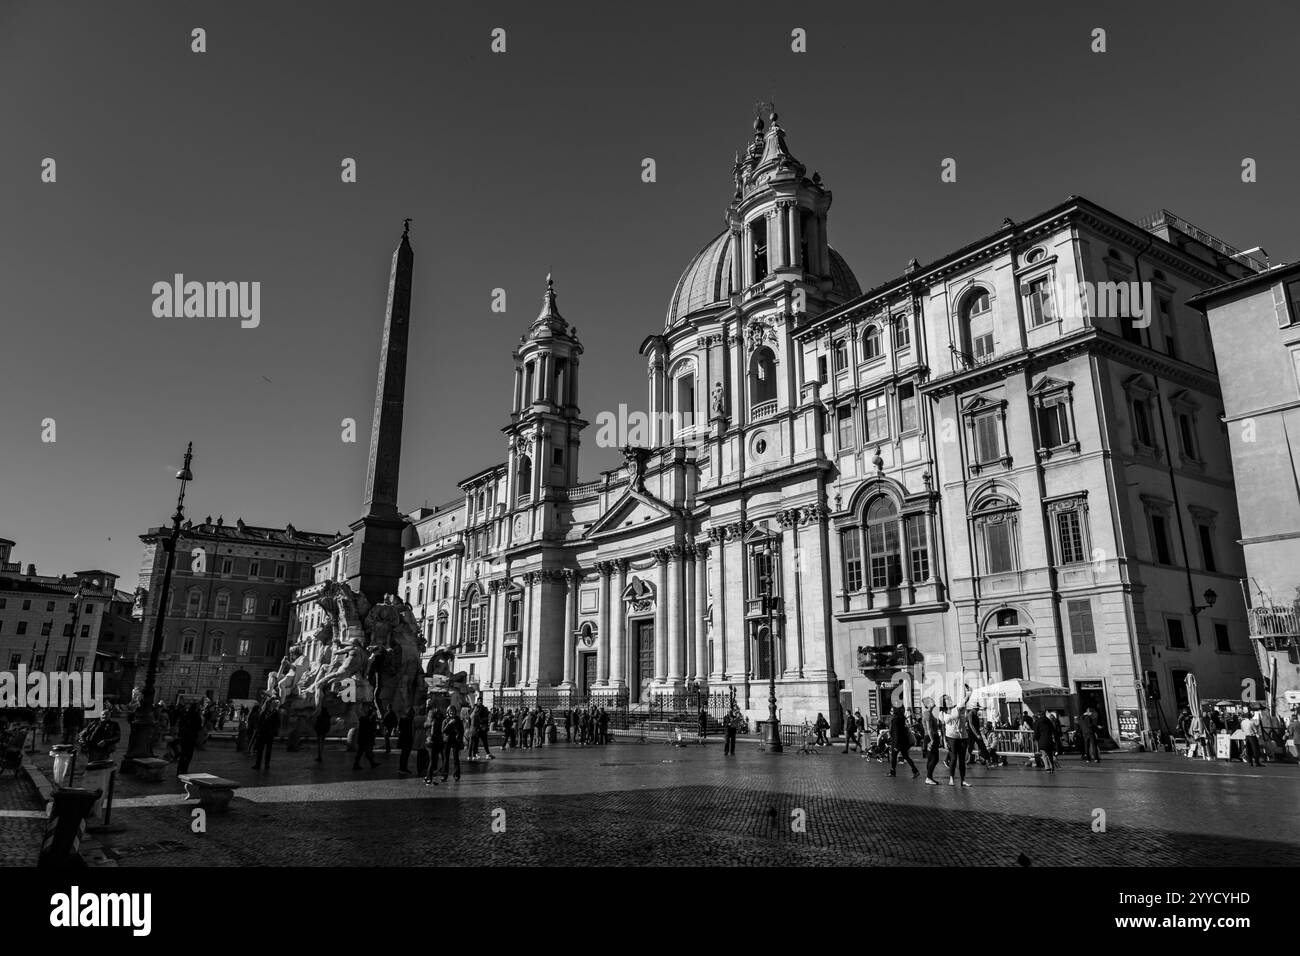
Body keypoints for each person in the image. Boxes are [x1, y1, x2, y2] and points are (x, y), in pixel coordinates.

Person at [942, 689, 974, 787]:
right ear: (944, 702)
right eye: (947, 699)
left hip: (962, 737)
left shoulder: (957, 708)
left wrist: (968, 693)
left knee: (962, 760)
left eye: (949, 698)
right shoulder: (942, 713)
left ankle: (963, 780)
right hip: (951, 737)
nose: (949, 699)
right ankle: (951, 778)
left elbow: (965, 700)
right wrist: (944, 740)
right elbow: (943, 727)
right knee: (953, 758)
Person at [887, 704, 919, 778]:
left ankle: (893, 772)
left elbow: (896, 733)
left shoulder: (895, 720)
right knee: (906, 756)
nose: (890, 712)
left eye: (892, 710)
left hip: (898, 742)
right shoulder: (902, 718)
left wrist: (895, 745)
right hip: (904, 741)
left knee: (894, 756)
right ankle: (915, 771)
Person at [253, 699, 279, 771]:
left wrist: (274, 732)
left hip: (270, 734)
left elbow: (277, 724)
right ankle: (257, 764)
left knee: (268, 750)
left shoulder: (275, 713)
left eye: (269, 704)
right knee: (260, 750)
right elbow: (259, 722)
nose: (268, 706)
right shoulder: (263, 713)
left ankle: (267, 764)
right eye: (268, 705)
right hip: (262, 733)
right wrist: (258, 730)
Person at [923, 697, 944, 784]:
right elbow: (929, 728)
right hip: (930, 737)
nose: (933, 701)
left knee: (931, 758)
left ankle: (929, 777)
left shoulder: (929, 713)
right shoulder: (927, 713)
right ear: (927, 704)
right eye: (931, 700)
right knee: (934, 759)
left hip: (930, 737)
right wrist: (932, 740)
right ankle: (928, 777)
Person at [353, 703, 380, 770]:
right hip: (364, 739)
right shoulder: (366, 720)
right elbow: (370, 729)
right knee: (363, 752)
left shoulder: (364, 719)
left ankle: (371, 763)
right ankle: (357, 765)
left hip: (363, 738)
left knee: (364, 752)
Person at [177, 703, 202, 775]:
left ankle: (179, 769)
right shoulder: (197, 716)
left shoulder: (186, 715)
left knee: (183, 753)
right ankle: (184, 769)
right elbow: (199, 727)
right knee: (189, 755)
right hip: (192, 737)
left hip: (184, 736)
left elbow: (181, 724)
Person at [441, 706, 463, 782]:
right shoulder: (445, 720)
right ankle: (444, 775)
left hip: (455, 740)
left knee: (456, 758)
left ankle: (456, 775)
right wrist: (449, 724)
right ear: (448, 712)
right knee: (446, 759)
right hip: (447, 740)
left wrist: (459, 736)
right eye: (450, 711)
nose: (452, 712)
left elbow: (461, 730)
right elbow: (443, 731)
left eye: (453, 711)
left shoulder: (458, 720)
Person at [423, 707, 443, 785]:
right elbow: (433, 733)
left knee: (431, 761)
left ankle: (427, 776)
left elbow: (426, 728)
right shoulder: (435, 722)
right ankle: (429, 778)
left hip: (428, 743)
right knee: (432, 761)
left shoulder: (428, 721)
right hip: (433, 742)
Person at [397, 707, 415, 775]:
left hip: (403, 739)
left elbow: (399, 728)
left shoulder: (402, 719)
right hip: (408, 739)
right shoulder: (410, 720)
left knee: (404, 754)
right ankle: (402, 768)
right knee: (405, 755)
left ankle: (403, 768)